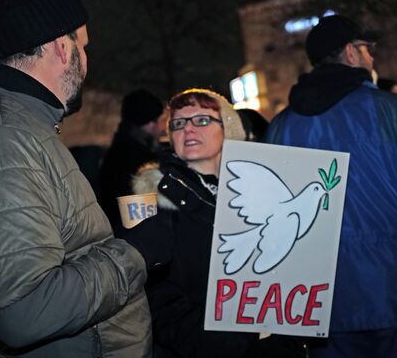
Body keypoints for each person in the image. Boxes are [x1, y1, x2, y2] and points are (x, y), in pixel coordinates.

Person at [0, 0, 169, 356]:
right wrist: (136, 252)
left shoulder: (21, 130)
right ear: (63, 47)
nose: (87, 61)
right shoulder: (3, 141)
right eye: (85, 46)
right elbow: (23, 311)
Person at [264, 15, 397, 357]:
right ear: (350, 53)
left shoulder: (281, 127)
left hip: (317, 303)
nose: (372, 57)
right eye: (368, 48)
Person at [119, 88, 305, 358]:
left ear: (227, 128)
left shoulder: (263, 190)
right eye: (179, 123)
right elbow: (154, 296)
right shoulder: (149, 200)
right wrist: (225, 346)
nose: (189, 129)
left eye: (202, 120)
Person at [99, 89, 164, 227]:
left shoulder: (119, 149)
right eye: (159, 120)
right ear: (150, 122)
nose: (162, 126)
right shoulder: (140, 161)